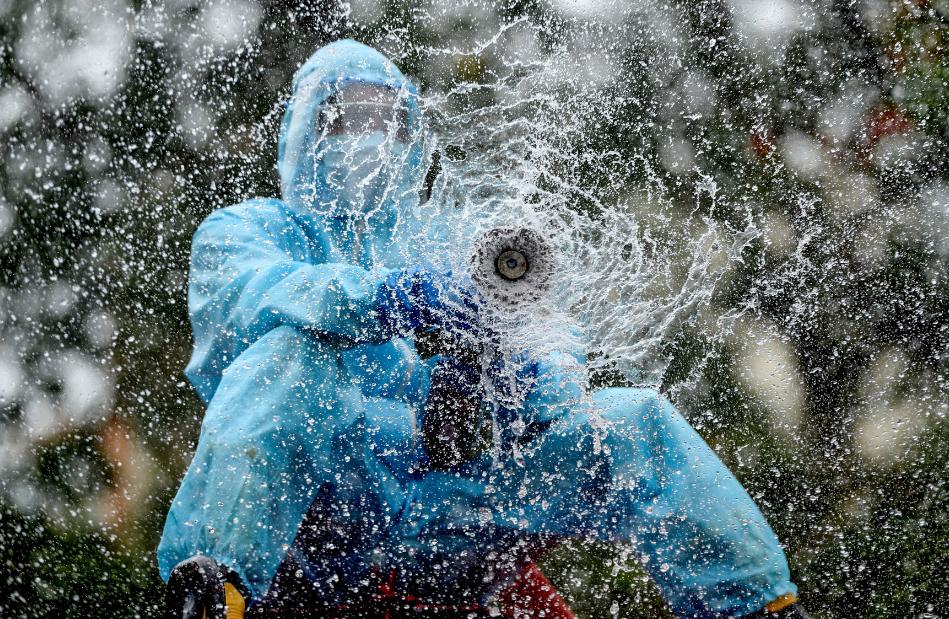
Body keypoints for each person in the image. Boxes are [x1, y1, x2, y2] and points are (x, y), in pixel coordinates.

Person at [158, 39, 805, 618]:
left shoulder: (442, 240)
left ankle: (756, 605)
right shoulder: (246, 232)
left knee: (636, 424)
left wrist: (513, 382)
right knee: (290, 352)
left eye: (389, 119)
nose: (369, 135)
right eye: (345, 117)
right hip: (309, 521)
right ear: (303, 133)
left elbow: (546, 342)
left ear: (414, 137)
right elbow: (264, 300)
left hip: (440, 517)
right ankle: (212, 590)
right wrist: (395, 299)